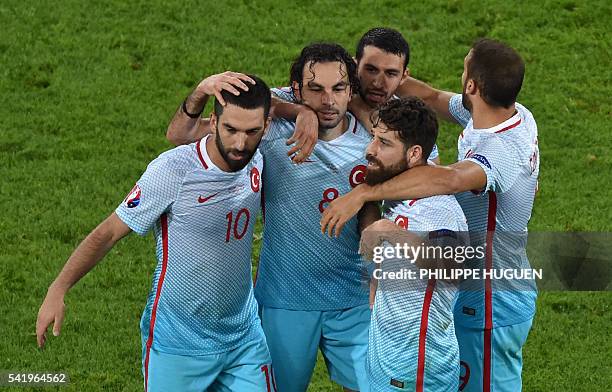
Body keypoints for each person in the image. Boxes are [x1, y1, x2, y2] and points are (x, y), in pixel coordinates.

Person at [321, 38, 539, 392]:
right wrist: (384, 79)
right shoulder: (505, 113)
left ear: (472, 85)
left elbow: (449, 179)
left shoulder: (499, 149)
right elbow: (434, 98)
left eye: (464, 68)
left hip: (489, 296)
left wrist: (365, 192)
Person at [36, 76, 276, 392]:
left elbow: (314, 96)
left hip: (243, 337)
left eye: (251, 132)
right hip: (177, 341)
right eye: (230, 130)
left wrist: (307, 116)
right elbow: (108, 232)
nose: (240, 144)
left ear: (266, 127)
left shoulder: (257, 157)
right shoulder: (174, 170)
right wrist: (59, 288)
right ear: (213, 121)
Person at [167, 43, 379, 392]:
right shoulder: (270, 130)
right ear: (296, 89)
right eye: (316, 89)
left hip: (355, 302)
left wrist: (366, 195)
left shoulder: (376, 139)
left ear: (351, 91)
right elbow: (180, 135)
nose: (328, 101)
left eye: (338, 89)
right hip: (285, 302)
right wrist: (202, 91)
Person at [359, 97, 468, 391]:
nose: (370, 150)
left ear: (414, 153)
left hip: (417, 369)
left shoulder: (437, 210)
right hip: (388, 362)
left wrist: (388, 231)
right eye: (373, 138)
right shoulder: (400, 191)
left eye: (384, 143)